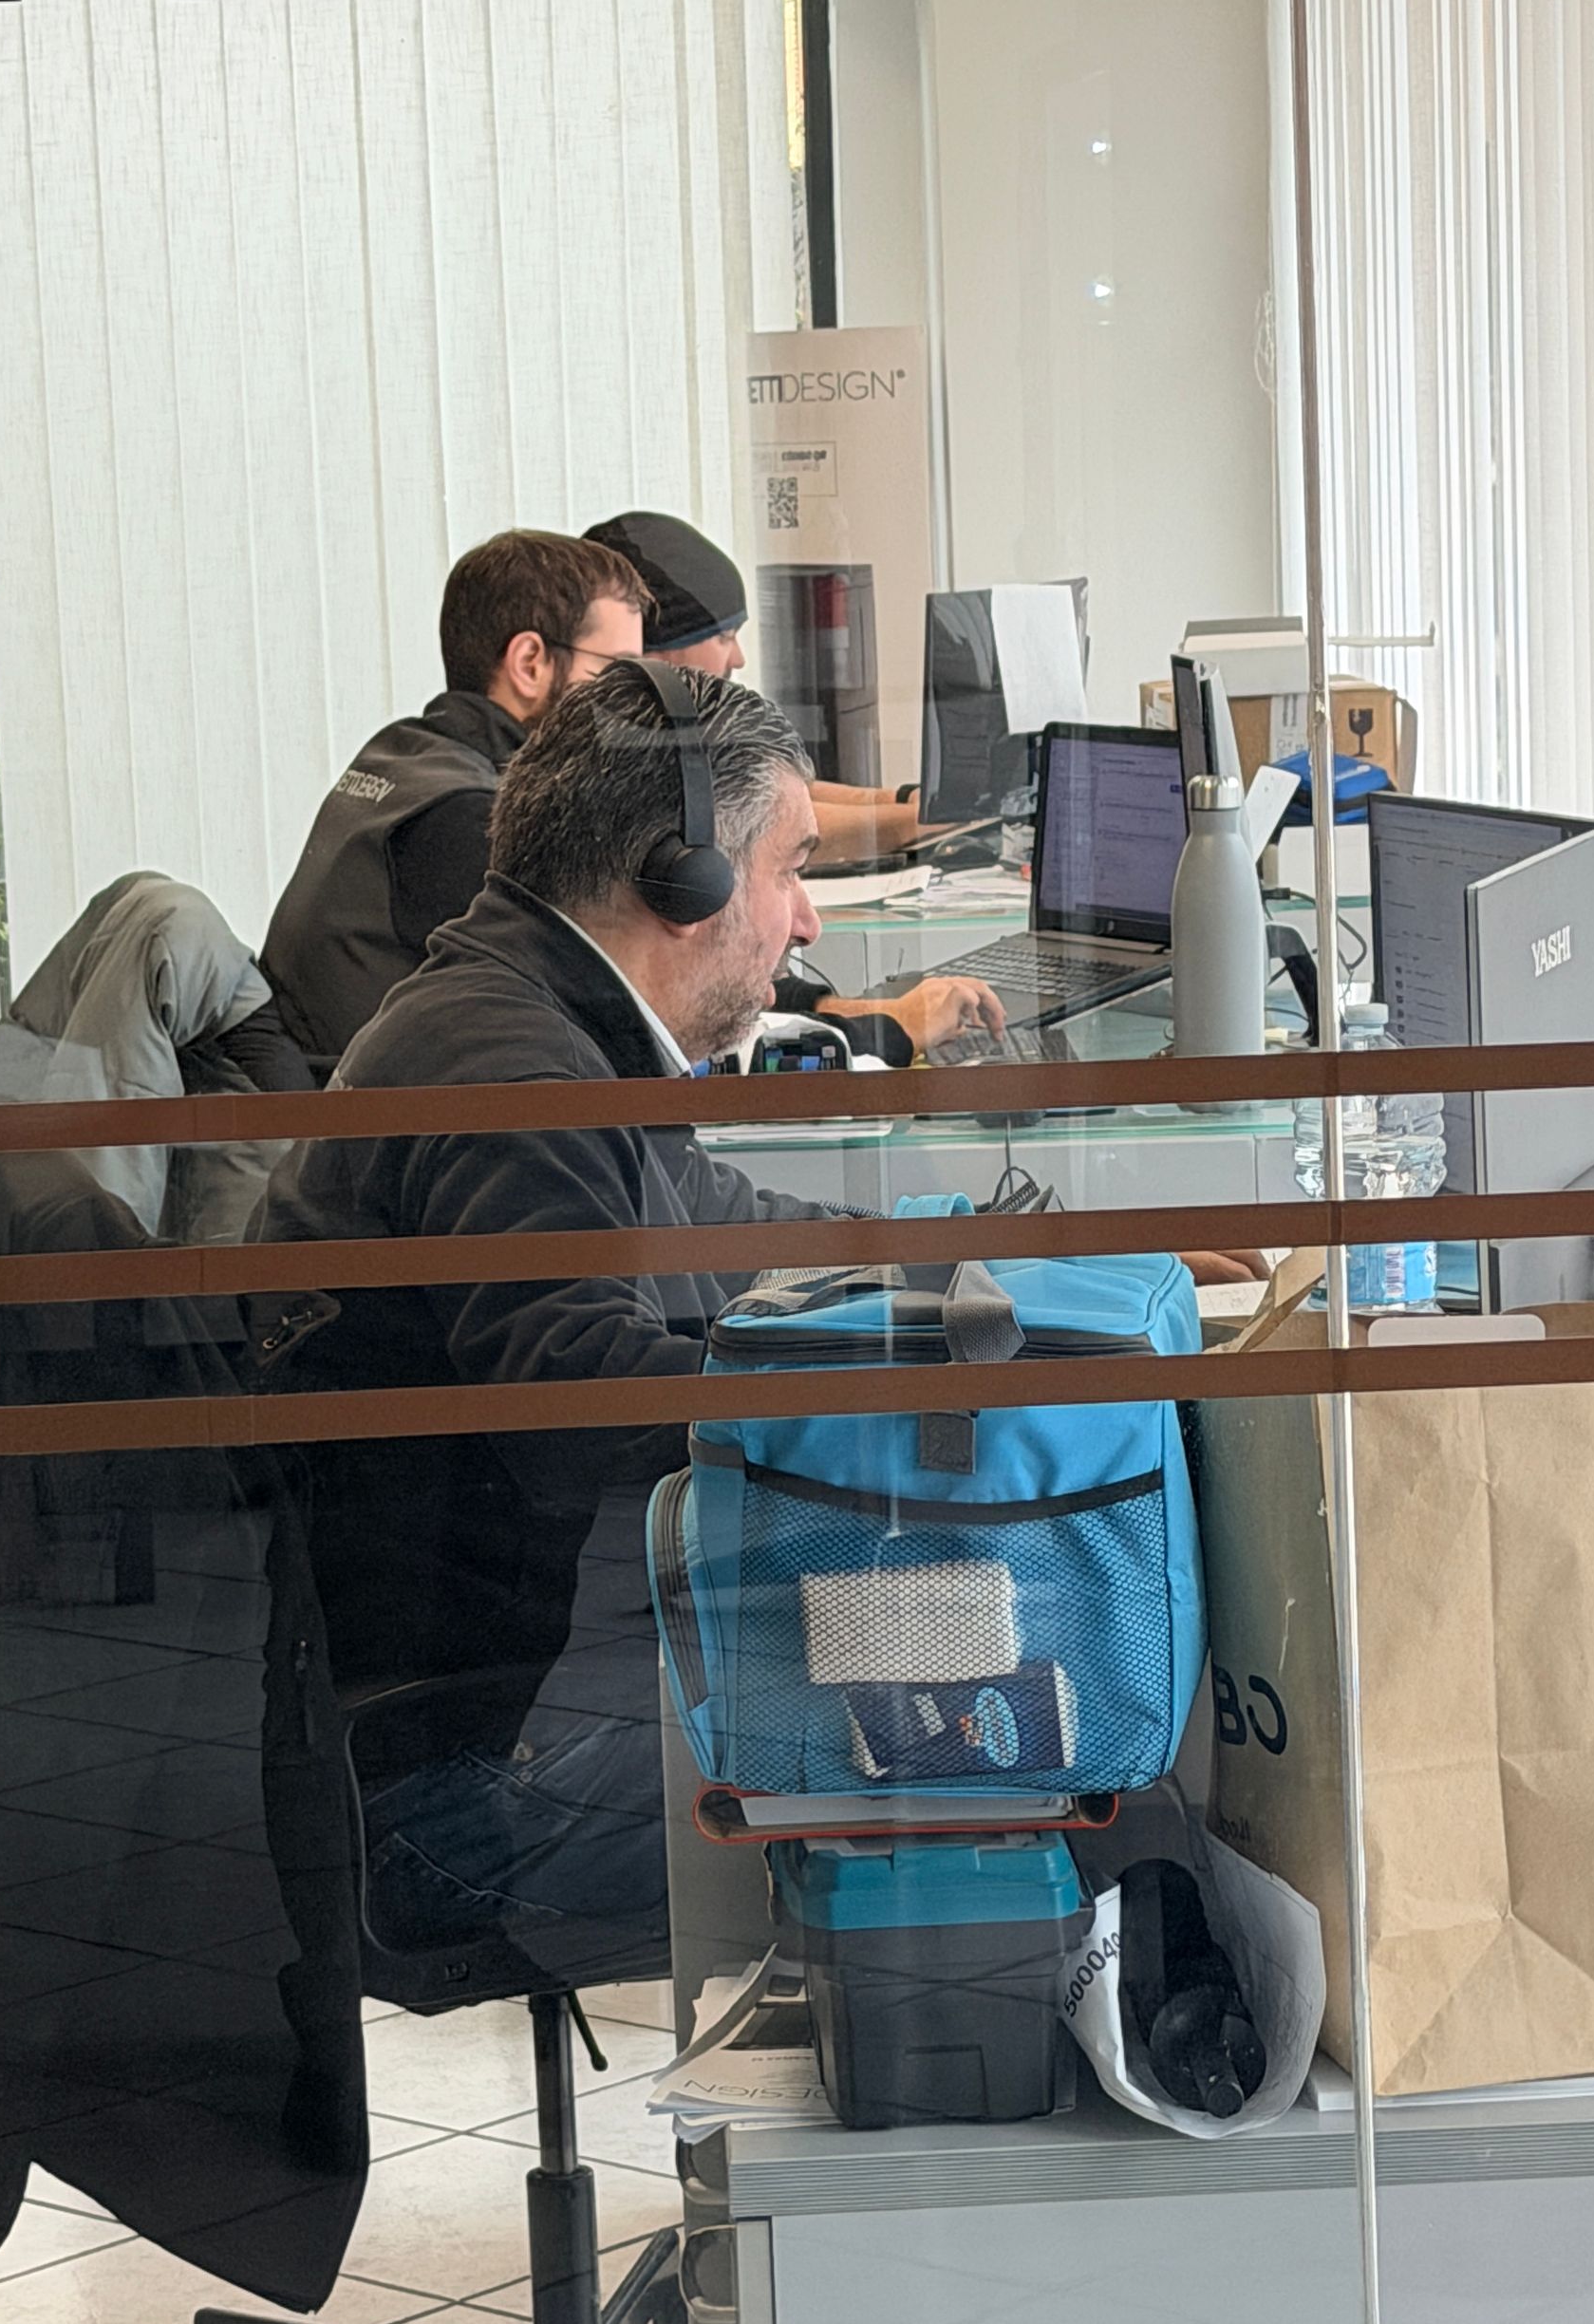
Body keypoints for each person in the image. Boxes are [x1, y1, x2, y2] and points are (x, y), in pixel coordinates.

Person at [254, 664, 1264, 1964]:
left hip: (487, 1704)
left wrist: (1013, 1265)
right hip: (449, 1794)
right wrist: (905, 1381)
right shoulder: (509, 1068)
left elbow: (733, 1227)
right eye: (791, 870)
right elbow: (578, 1395)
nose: (807, 922)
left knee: (999, 1667)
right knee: (1049, 1752)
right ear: (682, 880)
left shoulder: (532, 1018)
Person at [263, 524, 999, 1076]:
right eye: (619, 670)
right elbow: (638, 1015)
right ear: (529, 662)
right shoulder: (465, 820)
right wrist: (881, 1030)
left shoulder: (410, 755)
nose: (634, 700)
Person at [584, 511, 945, 871]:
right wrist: (923, 820)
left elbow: (776, 786)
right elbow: (768, 826)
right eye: (724, 637)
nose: (738, 659)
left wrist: (905, 799)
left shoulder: (680, 724)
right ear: (651, 649)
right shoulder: (624, 743)